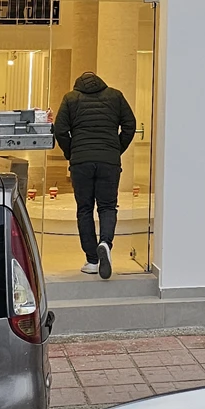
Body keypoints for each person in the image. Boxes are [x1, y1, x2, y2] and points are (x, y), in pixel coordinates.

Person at [52, 71, 136, 279]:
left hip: (81, 162)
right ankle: (105, 243)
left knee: (85, 209)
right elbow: (130, 125)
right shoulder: (115, 96)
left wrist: (72, 152)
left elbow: (60, 130)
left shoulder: (71, 98)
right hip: (109, 161)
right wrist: (116, 149)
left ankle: (91, 260)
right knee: (107, 207)